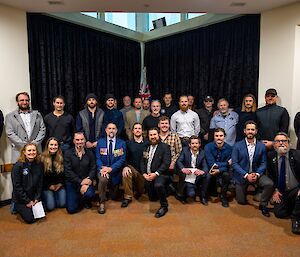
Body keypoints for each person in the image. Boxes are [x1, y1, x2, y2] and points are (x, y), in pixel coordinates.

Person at [232, 121, 274, 217]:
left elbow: (264, 163)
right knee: (241, 201)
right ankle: (242, 189)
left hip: (256, 174)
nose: (250, 131)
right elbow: (234, 163)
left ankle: (263, 204)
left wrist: (257, 174)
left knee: (269, 184)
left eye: (252, 129)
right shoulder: (237, 145)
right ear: (244, 131)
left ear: (256, 131)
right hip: (243, 175)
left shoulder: (261, 146)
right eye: (248, 129)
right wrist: (246, 175)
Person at [267, 132, 300, 235]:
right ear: (274, 144)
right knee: (279, 213)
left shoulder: (297, 155)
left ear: (289, 143)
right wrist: (275, 190)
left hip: (296, 189)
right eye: (278, 141)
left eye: (284, 141)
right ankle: (296, 205)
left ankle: (296, 220)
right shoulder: (270, 156)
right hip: (283, 190)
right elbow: (271, 176)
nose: (281, 143)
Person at [5, 92, 46, 163]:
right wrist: (24, 146)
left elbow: (42, 130)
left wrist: (34, 144)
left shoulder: (37, 115)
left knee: (37, 173)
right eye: (22, 100)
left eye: (27, 100)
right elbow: (10, 133)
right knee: (19, 173)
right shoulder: (10, 116)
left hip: (36, 152)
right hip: (19, 152)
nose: (25, 102)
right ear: (17, 102)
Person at [140, 127, 171, 218]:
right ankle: (167, 190)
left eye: (154, 134)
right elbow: (142, 161)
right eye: (151, 135)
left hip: (161, 174)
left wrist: (156, 173)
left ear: (158, 135)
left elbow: (166, 163)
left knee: (158, 185)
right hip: (148, 175)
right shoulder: (146, 147)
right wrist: (144, 173)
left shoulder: (165, 147)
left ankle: (164, 206)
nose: (153, 137)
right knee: (152, 198)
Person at [96, 123, 126, 214]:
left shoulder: (121, 143)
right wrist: (103, 169)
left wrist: (111, 169)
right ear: (106, 130)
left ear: (116, 131)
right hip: (103, 170)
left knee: (113, 196)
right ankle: (102, 202)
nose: (111, 130)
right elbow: (97, 158)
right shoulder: (100, 142)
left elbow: (122, 159)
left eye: (113, 128)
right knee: (103, 179)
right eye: (109, 128)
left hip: (115, 172)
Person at [64, 132, 96, 214]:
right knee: (71, 210)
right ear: (73, 141)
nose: (80, 142)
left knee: (89, 194)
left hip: (86, 182)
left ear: (85, 140)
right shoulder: (68, 153)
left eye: (82, 139)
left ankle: (85, 199)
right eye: (77, 140)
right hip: (72, 183)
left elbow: (93, 167)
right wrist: (80, 182)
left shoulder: (89, 153)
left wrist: (89, 179)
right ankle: (79, 198)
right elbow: (68, 171)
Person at [11, 143, 43, 224]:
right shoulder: (18, 166)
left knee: (42, 214)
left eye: (33, 150)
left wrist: (37, 198)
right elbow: (17, 186)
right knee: (30, 219)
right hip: (21, 199)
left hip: (33, 197)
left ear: (36, 152)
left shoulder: (39, 164)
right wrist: (27, 201)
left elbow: (40, 183)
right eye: (29, 150)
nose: (31, 152)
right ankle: (16, 206)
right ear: (24, 152)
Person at [121, 122, 148, 208]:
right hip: (132, 171)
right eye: (135, 128)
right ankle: (127, 197)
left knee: (141, 191)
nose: (137, 130)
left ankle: (140, 190)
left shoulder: (147, 143)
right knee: (126, 172)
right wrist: (125, 166)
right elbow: (124, 157)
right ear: (132, 131)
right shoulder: (128, 143)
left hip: (144, 174)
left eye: (139, 128)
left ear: (142, 131)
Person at [204, 128, 232, 207]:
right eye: (216, 136)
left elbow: (230, 165)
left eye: (221, 136)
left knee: (227, 175)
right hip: (210, 169)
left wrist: (220, 169)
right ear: (213, 136)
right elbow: (211, 164)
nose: (219, 138)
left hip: (223, 170)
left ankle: (223, 197)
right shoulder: (208, 147)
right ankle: (205, 195)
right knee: (208, 176)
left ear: (224, 136)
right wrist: (226, 163)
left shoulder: (230, 148)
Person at [176, 136, 208, 204]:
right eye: (193, 143)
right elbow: (179, 161)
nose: (194, 145)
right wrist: (183, 169)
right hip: (187, 173)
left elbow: (205, 166)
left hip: (196, 174)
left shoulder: (203, 153)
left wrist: (202, 171)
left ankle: (202, 196)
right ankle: (181, 195)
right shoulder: (185, 150)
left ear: (199, 144)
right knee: (191, 193)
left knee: (206, 176)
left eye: (196, 143)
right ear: (189, 145)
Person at [41, 137, 66, 211]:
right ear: (47, 146)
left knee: (62, 204)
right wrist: (49, 186)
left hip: (59, 185)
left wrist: (60, 184)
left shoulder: (62, 157)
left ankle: (55, 196)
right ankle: (50, 197)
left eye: (55, 145)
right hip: (47, 186)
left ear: (58, 146)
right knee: (50, 207)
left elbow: (65, 174)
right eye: (51, 145)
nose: (53, 147)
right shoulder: (42, 159)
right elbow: (40, 177)